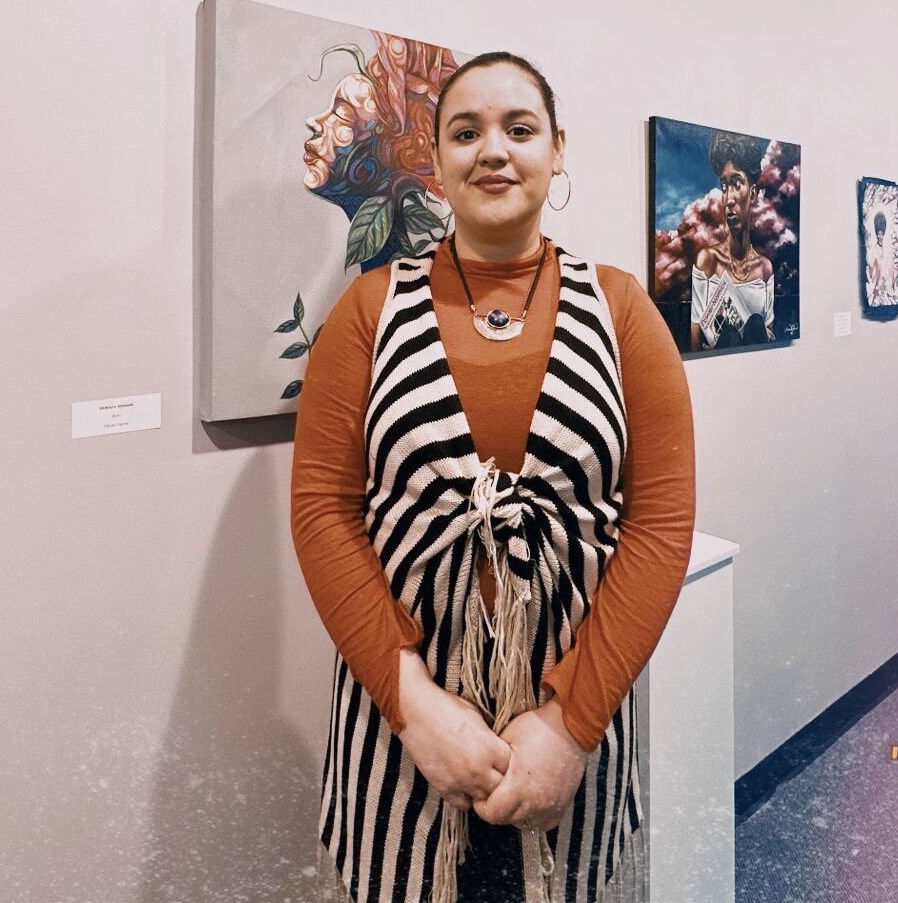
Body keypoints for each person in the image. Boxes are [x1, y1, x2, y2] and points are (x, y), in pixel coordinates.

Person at [291, 52, 696, 903]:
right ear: (434, 165)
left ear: (557, 152)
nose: (493, 151)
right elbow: (324, 513)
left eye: (520, 129)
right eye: (465, 132)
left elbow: (659, 527)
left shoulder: (624, 311)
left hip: (571, 736)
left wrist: (571, 724)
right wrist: (415, 709)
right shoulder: (368, 310)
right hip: (399, 736)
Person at [688, 131, 774, 349]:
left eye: (737, 184)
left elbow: (770, 338)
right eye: (724, 187)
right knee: (728, 334)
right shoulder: (707, 260)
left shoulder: (764, 269)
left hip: (761, 369)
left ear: (752, 194)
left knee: (755, 324)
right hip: (718, 369)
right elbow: (695, 337)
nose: (729, 198)